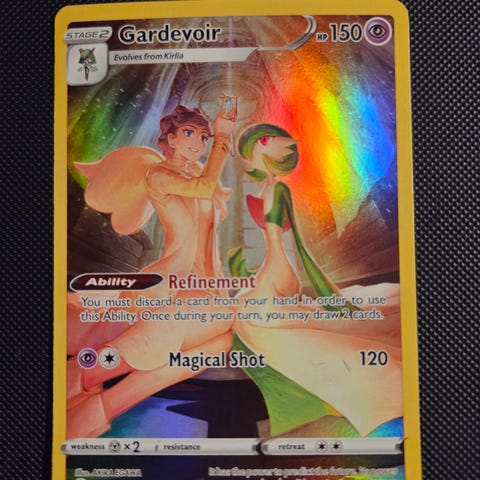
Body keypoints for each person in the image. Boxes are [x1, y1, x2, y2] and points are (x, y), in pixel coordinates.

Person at [67, 104, 236, 438]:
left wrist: (216, 289)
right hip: (161, 284)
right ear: (171, 139)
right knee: (215, 321)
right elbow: (205, 188)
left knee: (220, 343)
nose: (198, 142)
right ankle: (82, 377)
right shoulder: (159, 175)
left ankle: (100, 406)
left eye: (203, 137)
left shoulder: (194, 172)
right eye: (189, 133)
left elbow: (206, 241)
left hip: (187, 284)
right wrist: (222, 138)